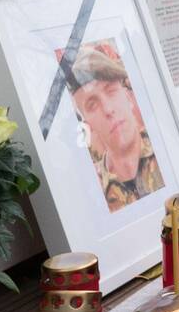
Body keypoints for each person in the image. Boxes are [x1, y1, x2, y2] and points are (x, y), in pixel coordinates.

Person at [67, 46, 164, 211]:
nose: (108, 109)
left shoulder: (165, 149)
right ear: (88, 124)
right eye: (92, 104)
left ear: (127, 96)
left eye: (111, 91)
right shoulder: (92, 190)